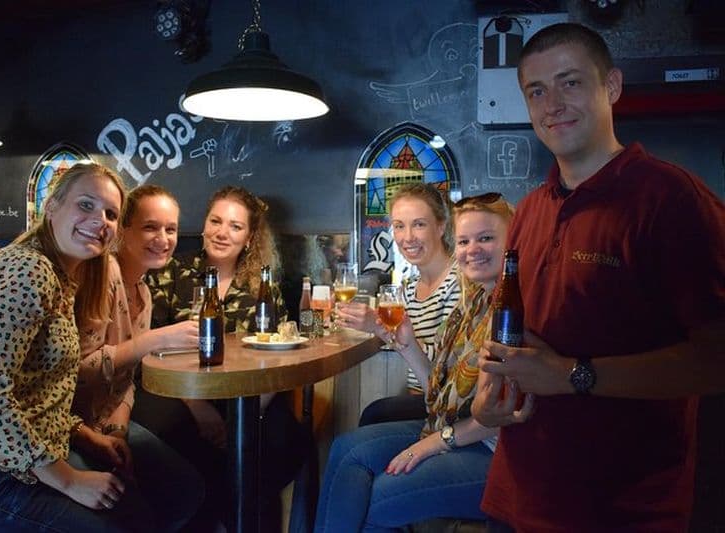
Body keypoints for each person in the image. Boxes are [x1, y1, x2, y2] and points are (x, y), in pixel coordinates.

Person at [470, 22, 725, 532]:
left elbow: (716, 357)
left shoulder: (673, 201)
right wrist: (485, 396)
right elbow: (510, 325)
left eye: (570, 82)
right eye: (536, 91)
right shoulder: (529, 211)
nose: (552, 104)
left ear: (611, 87)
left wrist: (570, 374)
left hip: (621, 510)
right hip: (518, 496)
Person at [0, 163, 157, 531]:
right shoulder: (27, 271)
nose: (100, 220)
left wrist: (87, 436)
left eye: (110, 214)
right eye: (86, 205)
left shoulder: (60, 277)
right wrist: (69, 480)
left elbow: (35, 395)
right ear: (52, 207)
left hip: (22, 467)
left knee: (138, 508)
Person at [314, 194, 515, 532]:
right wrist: (406, 343)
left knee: (373, 498)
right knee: (346, 449)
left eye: (486, 238)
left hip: (501, 452)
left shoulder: (513, 311)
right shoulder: (474, 304)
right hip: (456, 429)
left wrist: (433, 442)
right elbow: (436, 392)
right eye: (465, 240)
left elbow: (499, 418)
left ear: (514, 241)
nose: (471, 249)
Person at [133, 185, 311, 532]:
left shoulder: (263, 285)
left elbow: (278, 349)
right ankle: (204, 518)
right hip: (180, 392)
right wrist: (199, 407)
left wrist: (250, 412)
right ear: (203, 225)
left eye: (235, 226)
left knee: (282, 440)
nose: (222, 232)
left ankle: (240, 518)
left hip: (246, 395)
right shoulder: (172, 271)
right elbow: (151, 348)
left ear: (249, 238)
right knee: (179, 437)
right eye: (215, 221)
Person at [72, 184, 204, 531]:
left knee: (185, 490)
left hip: (105, 423)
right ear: (123, 230)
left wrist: (117, 430)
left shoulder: (143, 292)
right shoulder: (102, 276)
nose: (163, 238)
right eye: (150, 227)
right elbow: (76, 373)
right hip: (65, 429)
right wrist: (154, 340)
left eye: (170, 229)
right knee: (130, 510)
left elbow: (124, 382)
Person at [338, 182, 461, 425]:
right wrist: (374, 326)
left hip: (448, 407)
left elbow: (450, 365)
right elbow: (404, 342)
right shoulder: (409, 288)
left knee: (374, 416)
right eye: (399, 226)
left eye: (419, 224)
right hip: (422, 397)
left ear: (440, 226)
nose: (407, 237)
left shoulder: (458, 283)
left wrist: (378, 327)